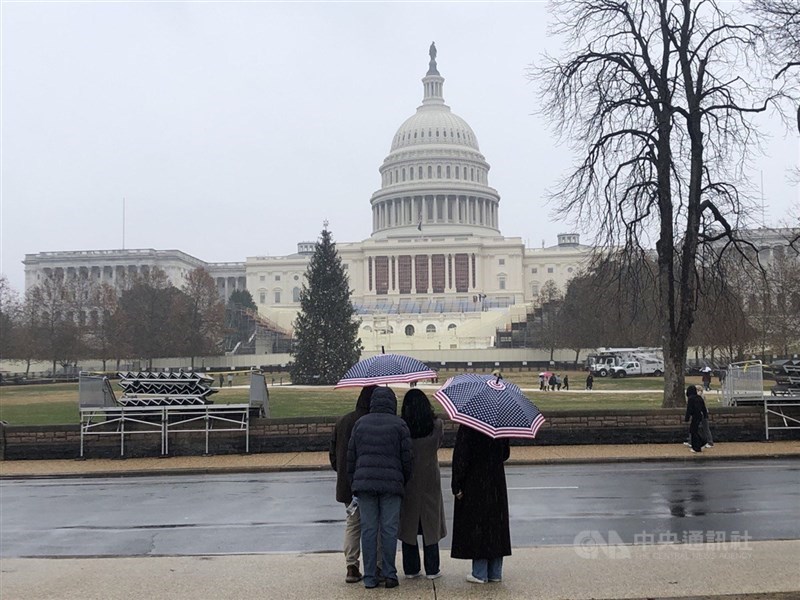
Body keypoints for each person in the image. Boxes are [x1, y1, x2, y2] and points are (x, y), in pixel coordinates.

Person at [347, 387, 413, 589]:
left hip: (365, 484)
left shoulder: (360, 424)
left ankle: (369, 576)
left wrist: (354, 482)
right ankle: (389, 573)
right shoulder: (400, 425)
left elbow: (351, 458)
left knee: (368, 529)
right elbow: (407, 459)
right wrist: (402, 479)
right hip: (392, 485)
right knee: (389, 529)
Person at [451, 425, 511, 584]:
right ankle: (495, 571)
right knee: (495, 524)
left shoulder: (469, 424)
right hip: (496, 479)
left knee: (479, 524)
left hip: (475, 479)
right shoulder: (501, 422)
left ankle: (479, 572)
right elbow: (505, 453)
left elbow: (461, 456)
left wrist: (456, 483)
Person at [329, 385, 376, 584]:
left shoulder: (343, 421)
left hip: (347, 484)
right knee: (374, 525)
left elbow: (333, 455)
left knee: (353, 524)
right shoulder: (372, 422)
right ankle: (376, 566)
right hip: (370, 481)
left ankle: (351, 565)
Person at [398, 389, 446, 580]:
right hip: (430, 480)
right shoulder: (437, 426)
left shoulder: (402, 428)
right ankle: (432, 569)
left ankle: (411, 568)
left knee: (408, 525)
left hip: (408, 480)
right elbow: (438, 444)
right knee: (430, 525)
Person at [685, 385, 708, 453]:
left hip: (695, 416)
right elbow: (703, 407)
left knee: (693, 431)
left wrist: (687, 418)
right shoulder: (699, 397)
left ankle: (697, 446)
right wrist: (705, 415)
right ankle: (700, 443)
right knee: (695, 431)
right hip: (700, 416)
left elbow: (689, 409)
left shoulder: (691, 399)